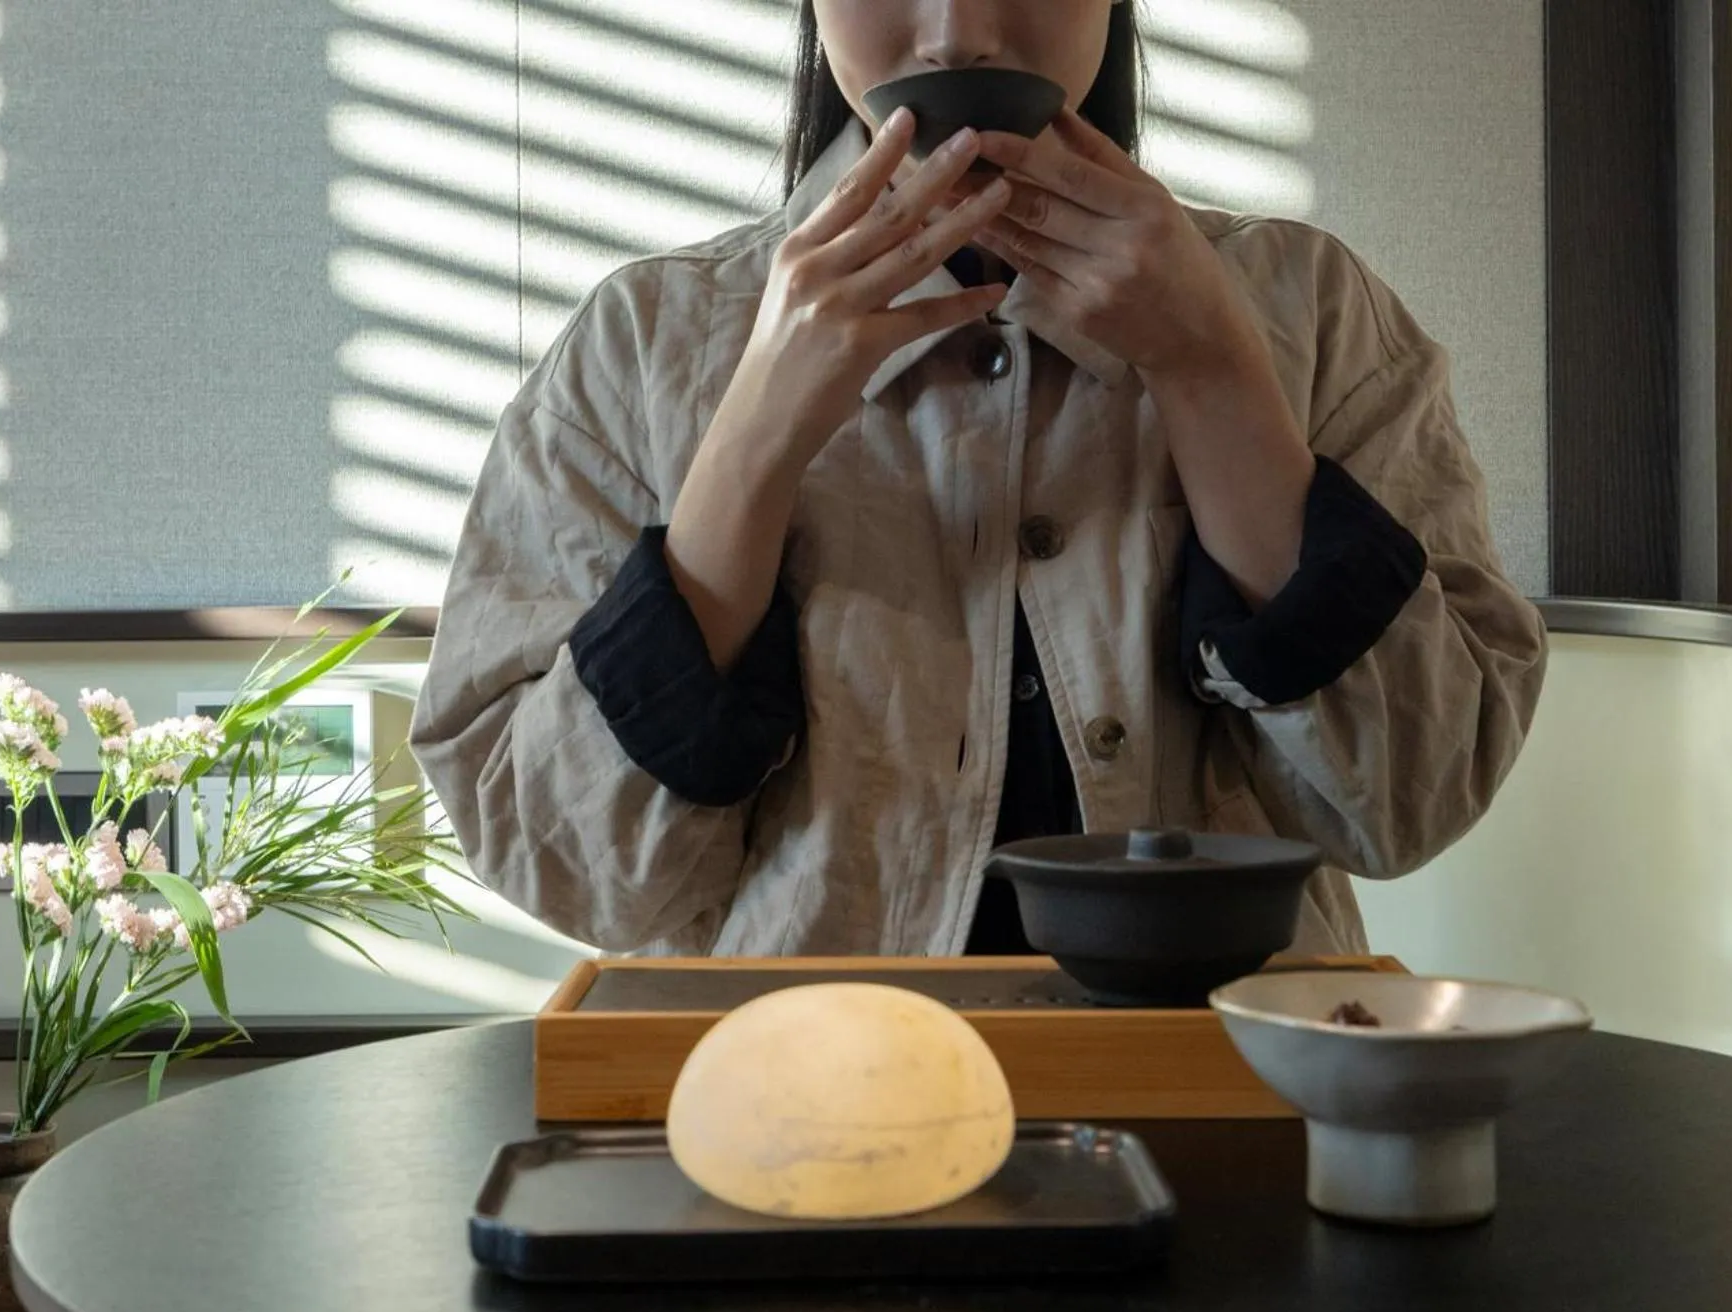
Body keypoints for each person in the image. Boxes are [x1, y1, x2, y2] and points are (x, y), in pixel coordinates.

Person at [408, 0, 1548, 959]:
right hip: (786, 1121)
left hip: (1223, 1097)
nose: (957, 32)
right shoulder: (644, 341)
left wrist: (1208, 368)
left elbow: (1409, 799)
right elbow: (563, 870)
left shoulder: (1308, 311)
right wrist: (754, 431)